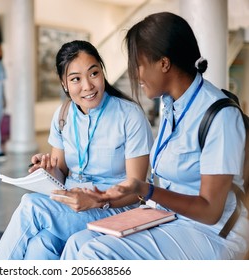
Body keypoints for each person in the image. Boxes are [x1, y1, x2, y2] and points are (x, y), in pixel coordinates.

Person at [61, 12, 249, 260]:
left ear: (163, 63)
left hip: (212, 232)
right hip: (170, 217)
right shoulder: (171, 106)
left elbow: (210, 211)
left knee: (96, 253)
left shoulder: (220, 115)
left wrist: (146, 190)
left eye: (138, 64)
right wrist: (105, 198)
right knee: (78, 243)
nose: (135, 75)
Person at [0, 40, 154, 260]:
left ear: (102, 72)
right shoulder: (63, 114)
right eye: (76, 79)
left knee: (32, 207)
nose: (87, 86)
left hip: (114, 207)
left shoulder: (130, 115)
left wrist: (98, 200)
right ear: (64, 84)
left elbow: (138, 191)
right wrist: (48, 171)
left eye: (93, 73)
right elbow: (61, 173)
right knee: (41, 245)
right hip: (70, 207)